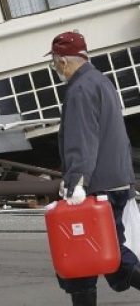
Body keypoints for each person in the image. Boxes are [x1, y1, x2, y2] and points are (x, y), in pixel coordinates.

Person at [49, 30, 138, 305]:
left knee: (103, 254)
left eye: (53, 62)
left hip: (97, 187)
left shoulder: (79, 89)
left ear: (63, 61)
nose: (54, 68)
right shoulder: (101, 81)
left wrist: (77, 181)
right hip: (117, 180)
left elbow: (81, 138)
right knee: (98, 254)